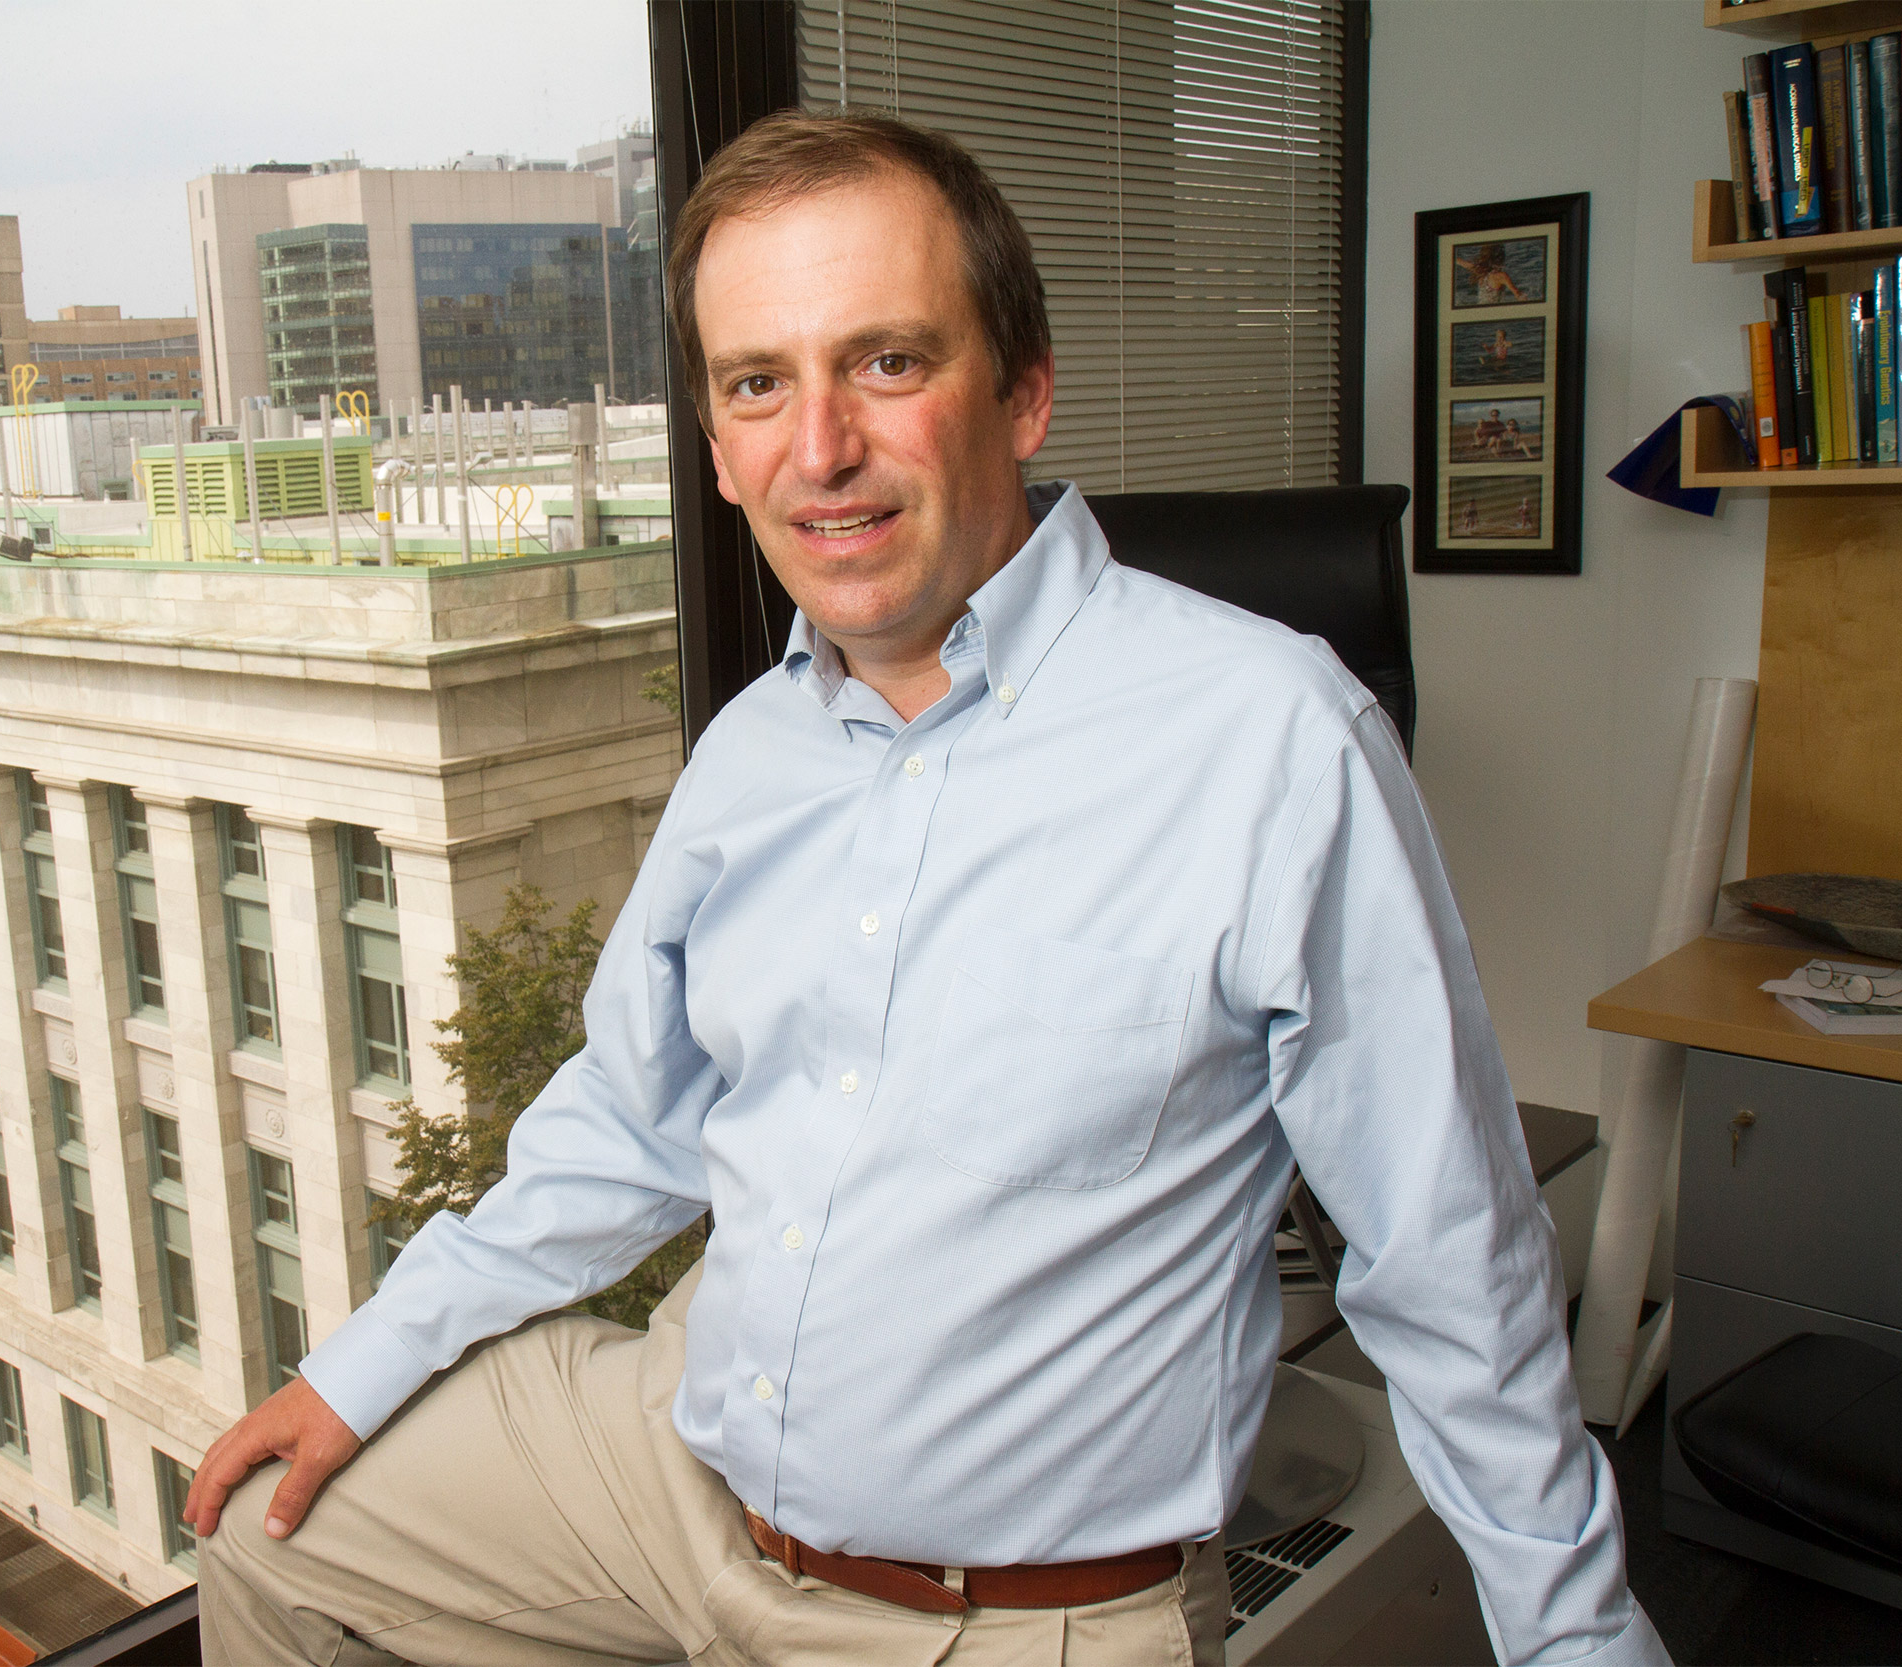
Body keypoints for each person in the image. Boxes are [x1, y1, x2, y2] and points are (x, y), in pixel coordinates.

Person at [188, 111, 1667, 1667]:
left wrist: (1580, 1642)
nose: (817, 447)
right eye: (760, 383)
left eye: (887, 363)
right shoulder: (751, 748)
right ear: (715, 444)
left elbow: (1449, 1255)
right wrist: (361, 1366)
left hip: (1007, 1615)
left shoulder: (1274, 741)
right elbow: (633, 1117)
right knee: (279, 1540)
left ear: (1022, 392)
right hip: (680, 1485)